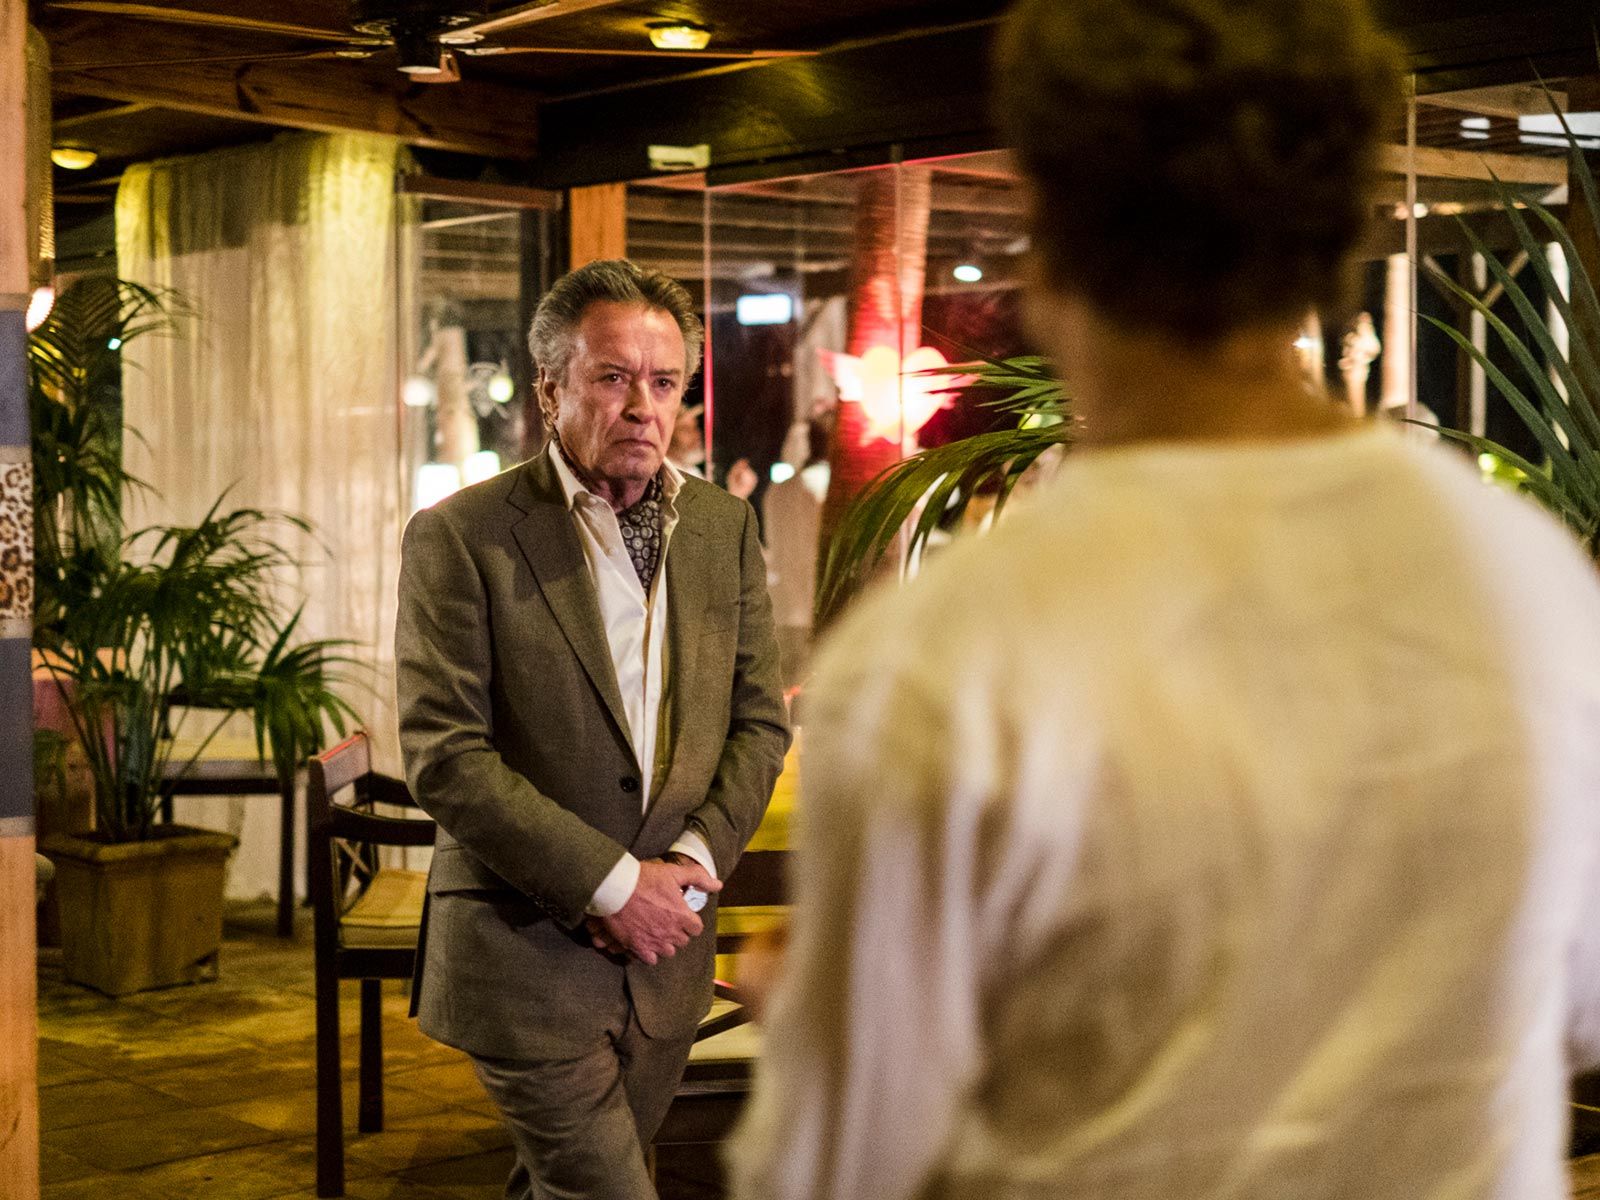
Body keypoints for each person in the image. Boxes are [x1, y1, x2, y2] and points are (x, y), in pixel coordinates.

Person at [727, 2, 1600, 1199]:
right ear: (1331, 239)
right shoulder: (1532, 579)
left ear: (1053, 252)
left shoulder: (952, 652)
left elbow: (844, 1161)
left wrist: (804, 1003)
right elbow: (1575, 1001)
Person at [395, 258, 790, 1200]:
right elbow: (445, 756)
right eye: (613, 378)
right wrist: (612, 886)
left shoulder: (724, 527)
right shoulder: (462, 535)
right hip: (523, 954)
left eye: (665, 382)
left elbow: (759, 722)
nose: (643, 408)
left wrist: (689, 864)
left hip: (667, 955)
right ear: (549, 390)